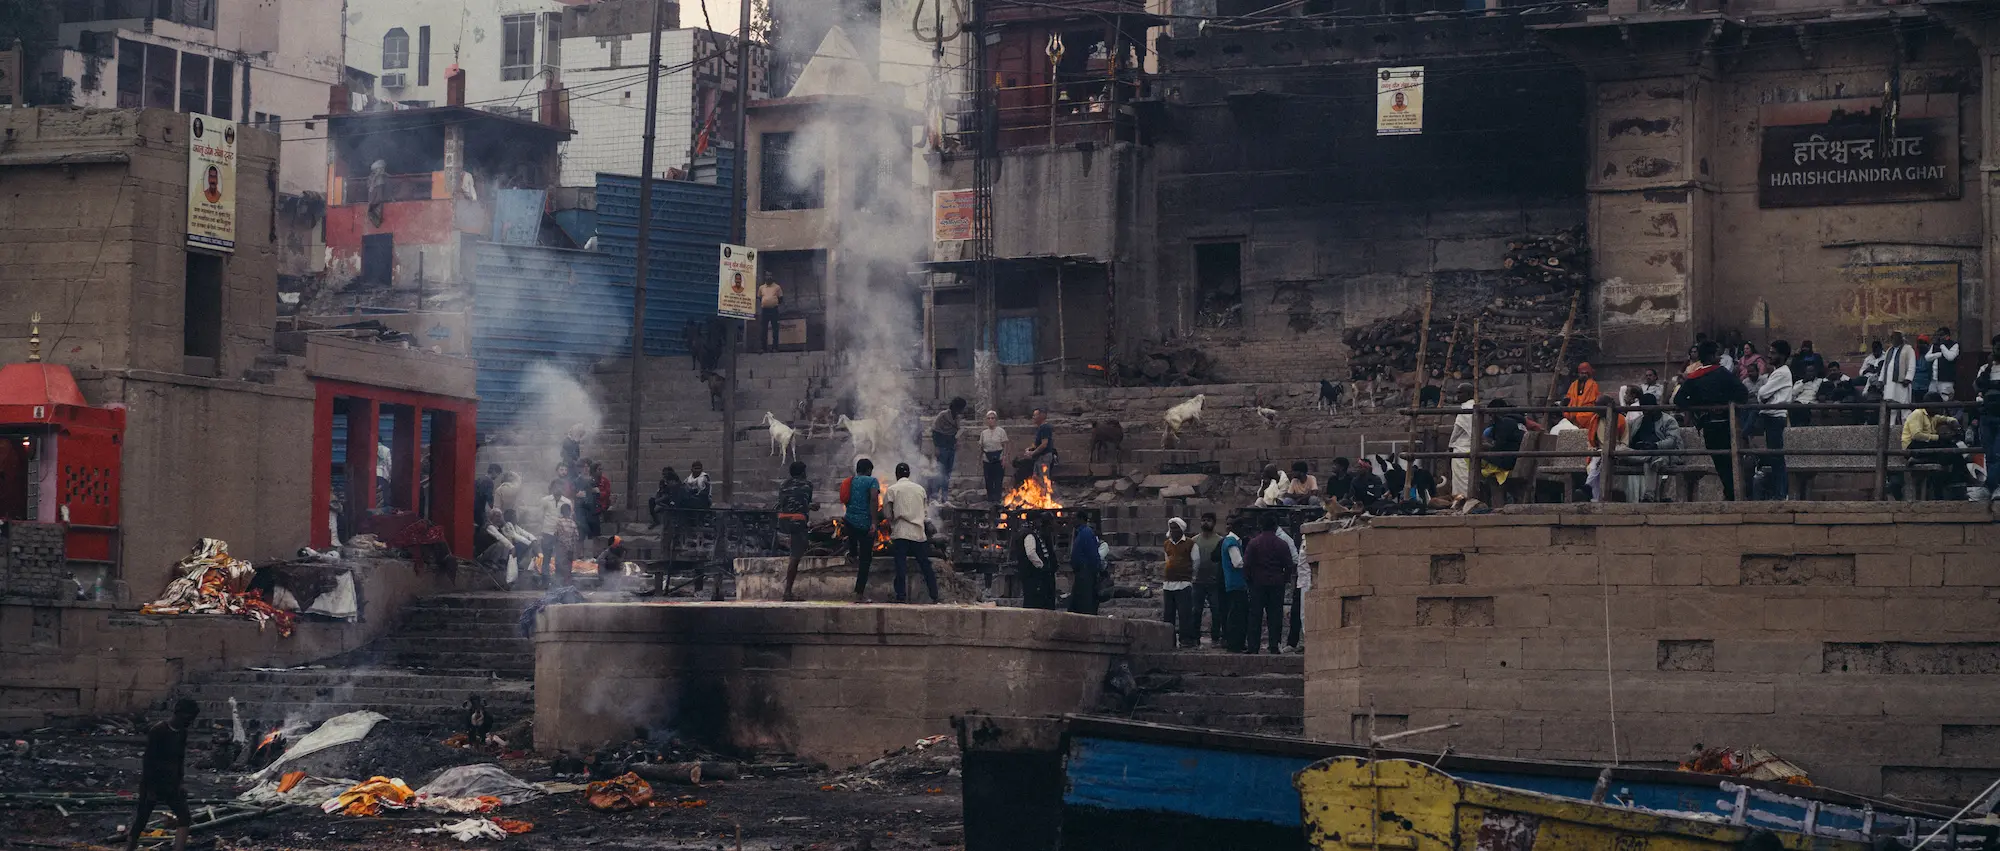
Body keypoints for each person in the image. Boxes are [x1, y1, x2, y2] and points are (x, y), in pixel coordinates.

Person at [1674, 341, 1751, 501]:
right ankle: (1734, 494)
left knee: (1720, 461)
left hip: (1708, 424)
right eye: (1717, 354)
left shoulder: (1693, 377)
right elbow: (1743, 393)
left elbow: (1679, 399)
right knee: (1732, 460)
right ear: (1710, 356)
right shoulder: (1722, 373)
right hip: (1726, 423)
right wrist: (1725, 403)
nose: (1719, 358)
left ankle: (1730, 493)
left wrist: (1698, 406)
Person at [124, 698, 199, 851]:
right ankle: (130, 848)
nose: (189, 721)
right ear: (178, 713)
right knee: (142, 820)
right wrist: (151, 789)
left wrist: (180, 783)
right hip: (154, 782)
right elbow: (149, 762)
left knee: (184, 817)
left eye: (192, 718)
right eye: (188, 717)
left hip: (171, 783)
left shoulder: (182, 733)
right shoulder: (158, 730)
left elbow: (180, 759)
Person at [881, 463, 940, 604]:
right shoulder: (920, 489)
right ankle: (934, 595)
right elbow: (925, 512)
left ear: (897, 475)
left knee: (900, 565)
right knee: (925, 565)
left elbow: (887, 514)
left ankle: (901, 596)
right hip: (918, 533)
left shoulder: (892, 490)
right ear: (908, 474)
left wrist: (893, 521)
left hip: (901, 532)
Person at [1242, 514, 1291, 655]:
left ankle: (1253, 647)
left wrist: (1249, 581)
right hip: (1276, 583)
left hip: (1257, 583)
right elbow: (1289, 565)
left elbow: (1247, 565)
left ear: (1260, 526)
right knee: (1275, 616)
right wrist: (1284, 579)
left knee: (1255, 616)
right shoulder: (1282, 544)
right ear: (1275, 526)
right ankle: (1274, 646)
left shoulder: (1254, 543)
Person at [1754, 340, 1794, 500]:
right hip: (1770, 416)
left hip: (1775, 417)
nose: (1769, 355)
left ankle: (1781, 494)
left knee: (1777, 457)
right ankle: (1779, 493)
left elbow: (1762, 393)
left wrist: (1763, 397)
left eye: (1773, 353)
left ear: (1782, 355)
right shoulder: (1777, 372)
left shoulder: (1782, 372)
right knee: (1774, 456)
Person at [1628, 393, 1682, 501]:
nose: (1645, 412)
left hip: (1663, 454)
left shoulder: (1668, 420)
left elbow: (1672, 441)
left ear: (1655, 406)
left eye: (1648, 409)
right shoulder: (1637, 422)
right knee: (1620, 451)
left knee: (1652, 461)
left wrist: (1655, 445)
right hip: (1641, 454)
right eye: (1643, 409)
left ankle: (1649, 496)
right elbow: (1630, 441)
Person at [843, 459, 882, 602]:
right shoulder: (872, 481)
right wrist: (874, 522)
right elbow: (874, 499)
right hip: (865, 524)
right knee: (865, 560)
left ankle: (852, 554)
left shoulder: (850, 481)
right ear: (868, 470)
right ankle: (859, 594)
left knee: (854, 545)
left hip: (849, 521)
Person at [776, 461, 814, 602]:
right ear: (803, 472)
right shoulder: (807, 485)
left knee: (793, 552)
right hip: (797, 521)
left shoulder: (783, 485)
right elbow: (805, 502)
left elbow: (786, 502)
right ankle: (787, 592)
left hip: (782, 521)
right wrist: (812, 507)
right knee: (795, 557)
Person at [1190, 513, 1226, 647]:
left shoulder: (1220, 540)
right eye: (1203, 520)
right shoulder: (1194, 540)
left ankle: (1215, 637)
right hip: (1197, 581)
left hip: (1214, 582)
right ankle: (1195, 638)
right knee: (1196, 611)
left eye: (1209, 520)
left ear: (1214, 523)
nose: (1205, 523)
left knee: (1216, 611)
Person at [1161, 518, 1196, 646]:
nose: (1173, 531)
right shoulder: (1166, 544)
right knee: (1168, 614)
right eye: (1172, 528)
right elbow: (1167, 560)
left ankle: (1186, 639)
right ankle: (1168, 640)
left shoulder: (1190, 543)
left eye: (1176, 528)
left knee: (1184, 613)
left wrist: (1189, 575)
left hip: (1183, 583)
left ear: (1181, 529)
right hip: (1168, 584)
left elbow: (1196, 562)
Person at [1015, 512, 1058, 610]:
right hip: (1032, 574)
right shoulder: (1029, 535)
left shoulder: (1031, 533)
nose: (1040, 523)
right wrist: (1042, 566)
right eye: (1038, 520)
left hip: (1030, 573)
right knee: (1034, 601)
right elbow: (1031, 553)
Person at [1278, 520, 1308, 653]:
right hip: (1301, 580)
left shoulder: (1287, 539)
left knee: (1304, 614)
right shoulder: (1302, 541)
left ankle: (1305, 642)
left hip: (1307, 581)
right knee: (1297, 613)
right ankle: (1293, 642)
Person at [536, 479, 573, 585]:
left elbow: (569, 518)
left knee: (559, 559)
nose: (558, 489)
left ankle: (558, 581)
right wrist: (540, 532)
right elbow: (540, 516)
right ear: (552, 488)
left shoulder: (567, 502)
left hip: (561, 534)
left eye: (560, 487)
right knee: (546, 557)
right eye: (556, 486)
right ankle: (545, 580)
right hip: (547, 532)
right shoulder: (545, 500)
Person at [1218, 519, 1247, 652]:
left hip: (1234, 583)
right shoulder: (1231, 542)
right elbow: (1238, 562)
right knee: (1236, 615)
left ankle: (1235, 643)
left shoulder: (1230, 541)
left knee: (1235, 614)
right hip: (1236, 582)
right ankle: (1235, 643)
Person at [931, 397, 967, 497]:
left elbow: (957, 431)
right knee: (940, 473)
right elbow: (935, 431)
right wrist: (936, 447)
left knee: (947, 473)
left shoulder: (957, 418)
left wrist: (957, 441)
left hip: (951, 448)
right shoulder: (943, 416)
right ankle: (934, 496)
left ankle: (944, 497)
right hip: (942, 448)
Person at [1977, 337, 2000, 485]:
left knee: (1998, 453)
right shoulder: (1985, 368)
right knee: (1990, 454)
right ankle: (1992, 486)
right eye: (1996, 348)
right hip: (1987, 416)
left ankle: (1991, 485)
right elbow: (1978, 388)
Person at [1067, 522, 1103, 616]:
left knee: (1084, 601)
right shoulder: (1082, 533)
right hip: (1083, 572)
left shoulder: (1085, 533)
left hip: (1085, 572)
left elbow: (1093, 555)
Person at [1447, 384, 1476, 497]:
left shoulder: (1466, 409)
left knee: (1462, 478)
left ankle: (1463, 499)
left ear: (1468, 394)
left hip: (1462, 447)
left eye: (1460, 393)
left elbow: (1457, 431)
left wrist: (1450, 445)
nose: (1457, 396)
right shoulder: (1473, 406)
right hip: (1469, 445)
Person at [1884, 331, 1918, 425]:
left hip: (1902, 383)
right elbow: (1885, 366)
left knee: (1904, 408)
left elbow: (1912, 365)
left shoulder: (1908, 349)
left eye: (1894, 337)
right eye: (1891, 337)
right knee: (1891, 408)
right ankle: (1890, 427)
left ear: (1900, 338)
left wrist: (1908, 378)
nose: (1892, 339)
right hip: (1889, 384)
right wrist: (1881, 380)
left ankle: (1906, 427)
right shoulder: (1889, 350)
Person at [1561, 363, 1601, 435]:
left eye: (1585, 373)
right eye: (1582, 373)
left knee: (1582, 416)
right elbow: (1568, 397)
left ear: (1589, 374)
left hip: (1586, 411)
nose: (1584, 375)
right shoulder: (1573, 384)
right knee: (1566, 414)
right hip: (1573, 409)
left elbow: (1596, 399)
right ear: (1579, 373)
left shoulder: (1593, 385)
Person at [979, 410, 1008, 503]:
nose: (990, 420)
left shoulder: (1001, 431)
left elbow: (1005, 445)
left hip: (998, 457)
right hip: (987, 458)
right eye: (988, 418)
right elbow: (981, 447)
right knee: (988, 480)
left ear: (996, 420)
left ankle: (997, 499)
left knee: (998, 480)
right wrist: (980, 459)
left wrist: (1004, 458)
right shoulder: (983, 433)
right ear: (986, 420)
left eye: (992, 418)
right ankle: (990, 499)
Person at [550, 503, 580, 586]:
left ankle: (559, 585)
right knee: (568, 567)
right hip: (570, 549)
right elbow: (576, 537)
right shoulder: (573, 523)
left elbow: (556, 535)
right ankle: (567, 584)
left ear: (561, 512)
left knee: (559, 566)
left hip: (561, 548)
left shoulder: (559, 522)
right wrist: (573, 548)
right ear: (570, 512)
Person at [1928, 327, 1960, 401]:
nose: (1939, 337)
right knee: (1931, 399)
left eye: (1941, 335)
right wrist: (1937, 355)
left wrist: (1942, 346)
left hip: (1946, 380)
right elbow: (1927, 357)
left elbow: (1950, 357)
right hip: (1934, 379)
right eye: (1938, 335)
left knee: (1945, 400)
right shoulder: (1935, 345)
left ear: (1947, 335)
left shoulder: (1954, 345)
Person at [1023, 408, 1057, 478]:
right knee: (1036, 478)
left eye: (1035, 415)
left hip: (1044, 457)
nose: (1033, 417)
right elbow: (1038, 444)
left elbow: (1044, 444)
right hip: (1039, 457)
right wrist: (1030, 449)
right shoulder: (1041, 428)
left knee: (1043, 479)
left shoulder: (1045, 427)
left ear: (1041, 416)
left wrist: (1033, 453)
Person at [758, 277, 783, 351]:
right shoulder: (761, 287)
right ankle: (763, 348)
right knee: (763, 329)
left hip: (774, 310)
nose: (768, 278)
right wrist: (766, 302)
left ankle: (775, 347)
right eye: (767, 276)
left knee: (775, 329)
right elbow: (759, 297)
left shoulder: (777, 287)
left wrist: (773, 303)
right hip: (765, 310)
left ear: (772, 278)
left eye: (770, 276)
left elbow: (780, 298)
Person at [1913, 335, 1936, 402]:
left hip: (1926, 385)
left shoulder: (1930, 355)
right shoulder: (1914, 354)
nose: (1921, 345)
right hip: (1915, 385)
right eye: (1919, 343)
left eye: (1923, 343)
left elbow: (1926, 368)